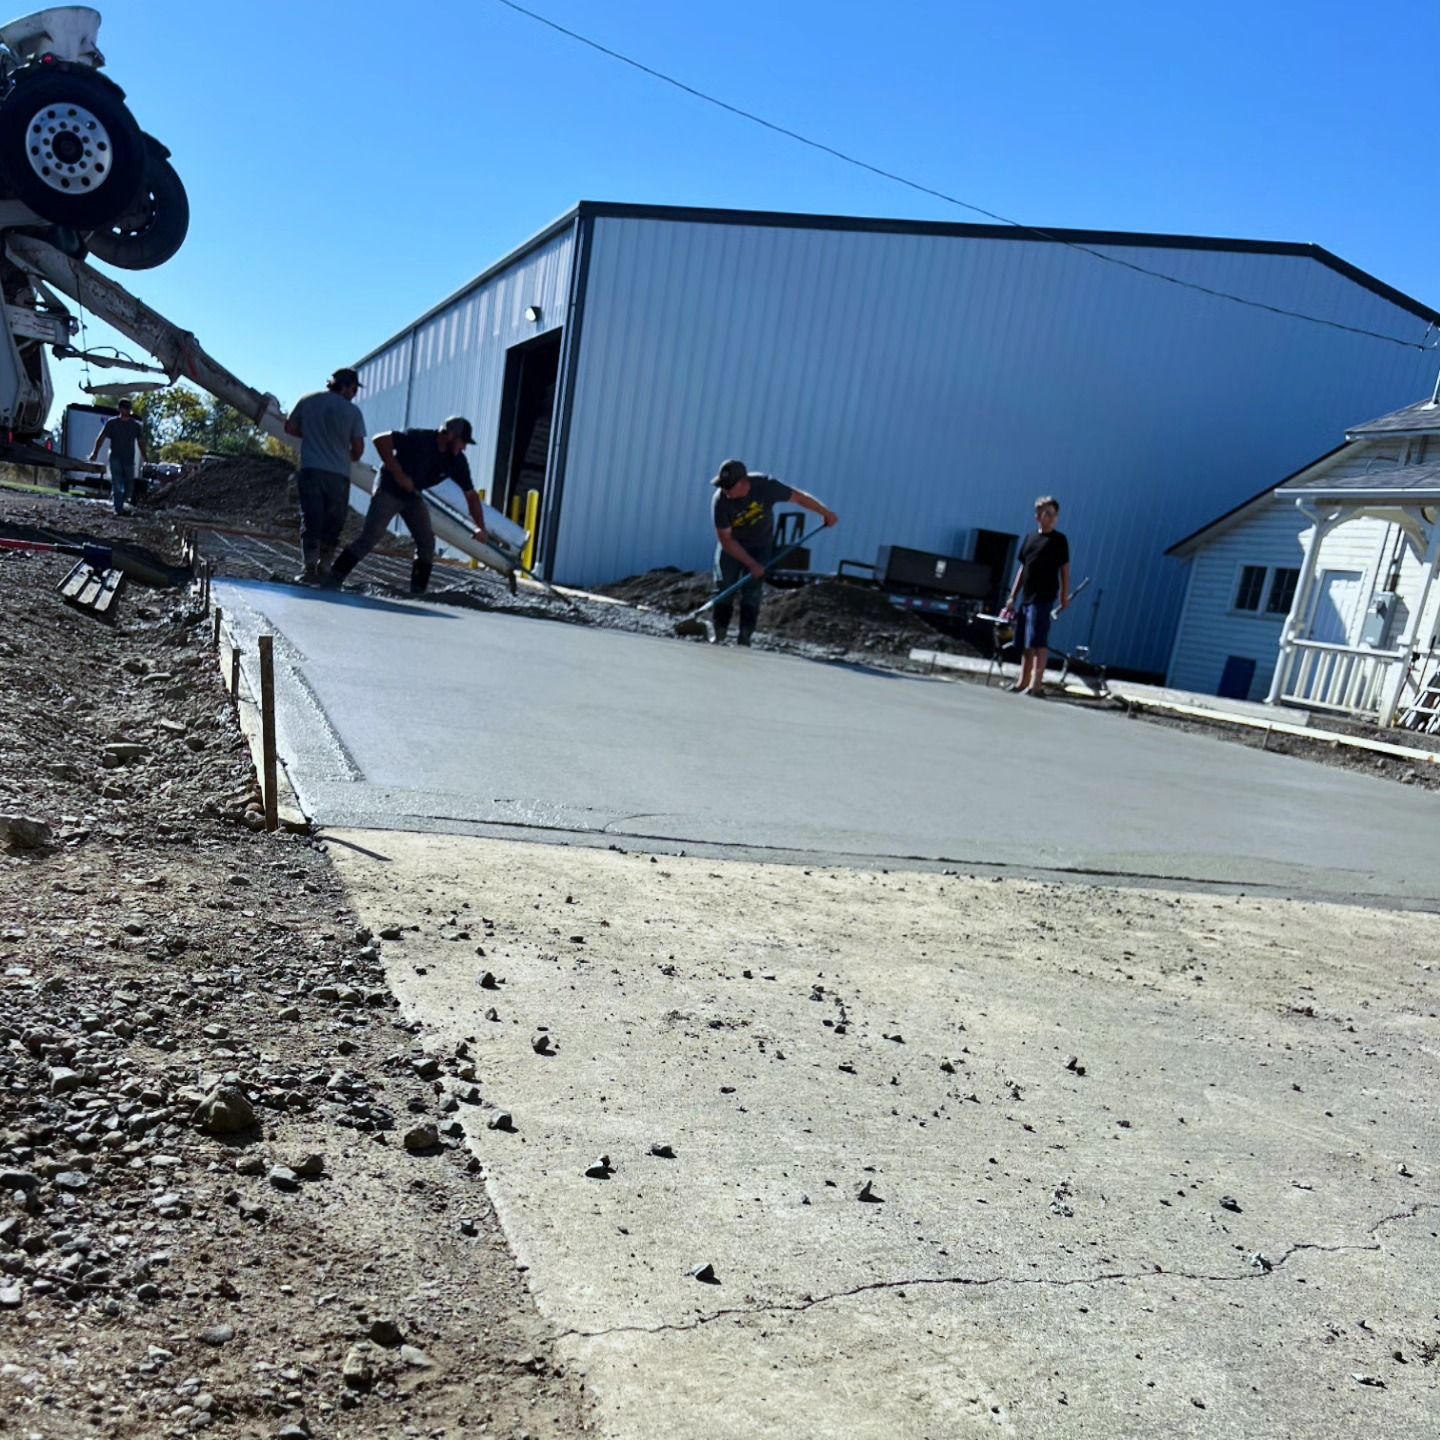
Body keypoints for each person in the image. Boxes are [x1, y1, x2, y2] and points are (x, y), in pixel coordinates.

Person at [325, 417, 488, 595]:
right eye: (462, 442)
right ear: (449, 435)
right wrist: (399, 475)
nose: (463, 447)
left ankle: (417, 592)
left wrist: (480, 526)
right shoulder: (418, 438)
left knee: (426, 542)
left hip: (412, 495)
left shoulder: (457, 461)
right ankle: (334, 578)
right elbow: (380, 440)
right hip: (389, 489)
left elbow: (471, 496)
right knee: (370, 538)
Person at [710, 458, 838, 645]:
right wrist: (751, 563)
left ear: (744, 483)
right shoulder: (720, 501)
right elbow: (726, 540)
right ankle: (719, 634)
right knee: (725, 585)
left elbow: (799, 498)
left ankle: (745, 637)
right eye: (723, 486)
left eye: (730, 487)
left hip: (760, 544)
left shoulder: (765, 486)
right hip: (733, 546)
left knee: (752, 589)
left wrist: (825, 513)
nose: (726, 491)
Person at [284, 366, 366, 584]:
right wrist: (341, 450)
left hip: (310, 470)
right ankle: (325, 568)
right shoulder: (352, 412)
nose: (355, 394)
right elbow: (358, 450)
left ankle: (309, 567)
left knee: (311, 518)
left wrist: (311, 436)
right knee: (333, 522)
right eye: (355, 389)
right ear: (346, 387)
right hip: (338, 475)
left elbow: (290, 428)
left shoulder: (308, 400)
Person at [1000, 496, 1071, 696]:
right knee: (1024, 642)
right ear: (1036, 516)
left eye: (1050, 513)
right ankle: (1023, 681)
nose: (1045, 517)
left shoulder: (1059, 541)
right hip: (1027, 598)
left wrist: (1064, 596)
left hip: (1044, 597)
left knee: (1038, 641)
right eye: (1041, 513)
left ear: (1056, 517)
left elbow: (1064, 570)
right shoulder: (1030, 538)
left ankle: (1036, 685)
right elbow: (1023, 569)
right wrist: (1013, 596)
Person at [88, 398, 148, 516]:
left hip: (129, 459)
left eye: (128, 408)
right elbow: (101, 437)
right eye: (124, 408)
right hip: (115, 457)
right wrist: (95, 453)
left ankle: (123, 502)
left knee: (129, 484)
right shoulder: (112, 423)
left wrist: (145, 456)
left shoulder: (135, 426)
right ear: (120, 409)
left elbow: (141, 442)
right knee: (117, 483)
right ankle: (118, 508)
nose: (126, 410)